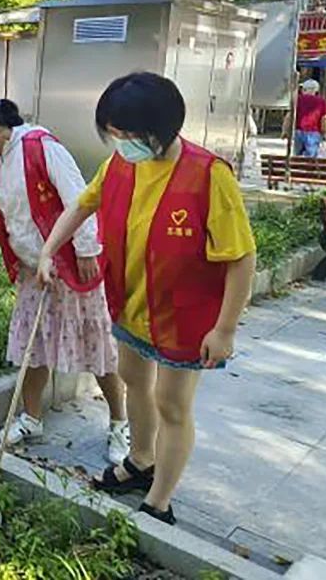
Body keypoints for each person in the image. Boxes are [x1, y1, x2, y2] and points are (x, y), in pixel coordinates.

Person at [37, 72, 256, 526]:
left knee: (172, 404)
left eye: (128, 135)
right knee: (134, 380)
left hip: (184, 318)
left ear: (162, 129)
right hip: (131, 305)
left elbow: (241, 257)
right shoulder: (120, 164)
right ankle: (141, 460)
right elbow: (82, 204)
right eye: (113, 134)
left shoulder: (208, 175)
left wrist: (225, 329)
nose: (120, 143)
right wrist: (48, 250)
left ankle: (159, 501)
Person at [0, 94, 128, 464]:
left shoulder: (42, 148)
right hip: (32, 270)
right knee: (33, 348)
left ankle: (120, 423)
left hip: (72, 264)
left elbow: (80, 199)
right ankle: (32, 419)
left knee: (96, 346)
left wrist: (87, 249)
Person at [290, 79, 326, 157]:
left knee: (297, 156)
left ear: (304, 89)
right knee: (310, 158)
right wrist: (325, 133)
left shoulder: (297, 100)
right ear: (316, 90)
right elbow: (325, 119)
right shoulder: (322, 102)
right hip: (314, 133)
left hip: (298, 131)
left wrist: (285, 131)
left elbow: (290, 115)